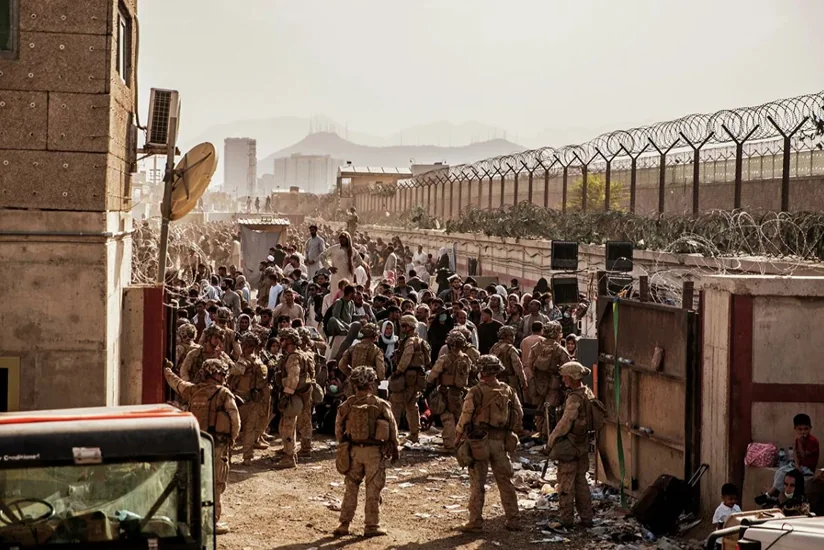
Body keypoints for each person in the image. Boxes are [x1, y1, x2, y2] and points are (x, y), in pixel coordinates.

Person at [164, 360, 240, 535]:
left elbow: (176, 383)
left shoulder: (193, 390)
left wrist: (167, 370)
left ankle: (194, 520)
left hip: (196, 443)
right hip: (218, 445)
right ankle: (211, 522)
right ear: (213, 374)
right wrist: (233, 439)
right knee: (216, 483)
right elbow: (235, 418)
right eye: (221, 373)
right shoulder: (223, 393)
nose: (223, 377)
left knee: (197, 481)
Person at [455, 355, 522, 532]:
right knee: (505, 481)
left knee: (478, 482)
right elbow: (518, 414)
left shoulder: (475, 391)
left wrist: (458, 437)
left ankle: (475, 521)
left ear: (482, 371)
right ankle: (513, 519)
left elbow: (465, 416)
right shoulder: (508, 390)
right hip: (500, 442)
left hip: (479, 442)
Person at [333, 366, 400, 538]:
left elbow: (339, 429)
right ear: (371, 384)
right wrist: (395, 448)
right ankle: (371, 526)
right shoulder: (380, 404)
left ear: (354, 385)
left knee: (351, 487)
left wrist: (343, 447)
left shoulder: (347, 405)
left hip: (354, 451)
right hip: (374, 453)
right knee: (373, 489)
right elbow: (393, 428)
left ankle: (344, 524)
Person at [546, 361, 595, 529]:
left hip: (571, 446)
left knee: (566, 483)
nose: (563, 380)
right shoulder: (587, 393)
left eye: (565, 377)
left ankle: (567, 519)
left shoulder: (574, 398)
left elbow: (565, 423)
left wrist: (551, 440)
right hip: (582, 445)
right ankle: (587, 518)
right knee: (581, 483)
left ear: (572, 377)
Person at [274, 328, 316, 468]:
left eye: (283, 340)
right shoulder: (303, 354)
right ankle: (294, 449)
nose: (281, 342)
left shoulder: (293, 357)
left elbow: (293, 378)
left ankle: (289, 456)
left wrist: (286, 395)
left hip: (294, 395)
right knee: (302, 421)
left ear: (289, 341)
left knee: (287, 425)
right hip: (304, 393)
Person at [757, 413, 820, 504]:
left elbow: (803, 455)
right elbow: (795, 454)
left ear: (810, 428)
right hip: (799, 465)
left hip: (808, 468)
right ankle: (773, 493)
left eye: (806, 429)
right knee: (780, 471)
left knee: (785, 473)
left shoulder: (813, 441)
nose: (803, 432)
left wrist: (800, 444)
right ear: (795, 429)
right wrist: (797, 465)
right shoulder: (797, 439)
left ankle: (770, 494)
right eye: (800, 429)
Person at [229, 333, 270, 465]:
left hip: (240, 399)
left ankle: (231, 456)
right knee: (249, 429)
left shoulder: (244, 362)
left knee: (233, 428)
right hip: (253, 399)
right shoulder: (258, 361)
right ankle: (247, 457)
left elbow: (234, 372)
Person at [426, 330, 472, 450]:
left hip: (445, 392)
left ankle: (450, 443)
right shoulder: (466, 359)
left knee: (447, 417)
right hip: (459, 392)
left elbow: (433, 375)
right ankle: (464, 441)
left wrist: (428, 384)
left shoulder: (444, 359)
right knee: (461, 418)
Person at [389, 315, 431, 443]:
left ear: (411, 327)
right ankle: (414, 433)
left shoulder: (410, 342)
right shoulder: (420, 341)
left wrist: (398, 371)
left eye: (405, 326)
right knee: (411, 406)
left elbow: (406, 358)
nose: (402, 328)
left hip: (407, 376)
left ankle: (393, 435)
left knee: (396, 404)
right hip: (416, 377)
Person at [526, 322, 571, 436]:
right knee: (551, 410)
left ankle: (540, 432)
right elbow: (568, 367)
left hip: (538, 383)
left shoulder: (536, 347)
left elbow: (529, 364)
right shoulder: (559, 349)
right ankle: (548, 435)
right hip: (554, 384)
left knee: (540, 409)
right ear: (557, 333)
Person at [338, 323, 385, 394]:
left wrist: (352, 374)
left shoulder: (352, 348)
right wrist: (375, 379)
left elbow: (341, 365)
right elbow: (381, 374)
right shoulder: (376, 351)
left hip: (352, 386)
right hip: (369, 387)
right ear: (375, 335)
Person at [490, 326, 527, 398]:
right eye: (513, 335)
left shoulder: (494, 347)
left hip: (496, 379)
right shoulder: (511, 349)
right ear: (509, 336)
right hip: (509, 381)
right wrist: (523, 381)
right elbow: (518, 367)